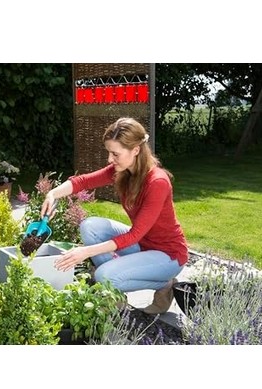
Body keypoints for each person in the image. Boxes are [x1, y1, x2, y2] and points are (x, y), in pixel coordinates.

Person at [40, 117, 189, 315]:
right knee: (89, 226)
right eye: (109, 152)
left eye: (115, 154)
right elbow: (83, 182)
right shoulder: (124, 171)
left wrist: (86, 252)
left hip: (168, 255)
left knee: (103, 275)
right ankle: (114, 293)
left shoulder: (157, 182)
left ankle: (164, 284)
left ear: (136, 150)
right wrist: (52, 194)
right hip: (143, 243)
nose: (110, 159)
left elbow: (133, 235)